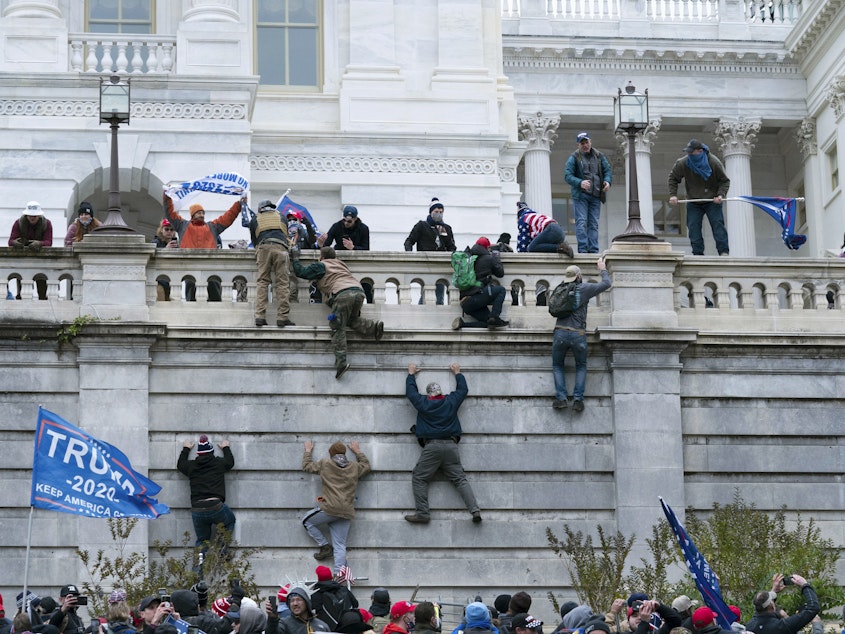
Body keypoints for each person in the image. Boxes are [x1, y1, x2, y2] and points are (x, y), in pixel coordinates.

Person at [404, 362, 482, 524]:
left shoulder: (424, 403)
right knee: (460, 479)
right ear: (440, 393)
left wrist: (411, 374)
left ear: (429, 395)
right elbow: (463, 391)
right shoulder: (450, 401)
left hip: (432, 447)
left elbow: (411, 393)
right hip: (451, 447)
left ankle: (423, 513)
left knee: (419, 478)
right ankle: (474, 510)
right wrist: (458, 373)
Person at [291, 246, 384, 379]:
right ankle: (374, 328)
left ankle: (341, 363)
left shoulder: (322, 265)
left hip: (342, 294)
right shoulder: (341, 264)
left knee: (337, 326)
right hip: (359, 292)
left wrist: (295, 258)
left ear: (322, 257)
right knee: (349, 319)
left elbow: (301, 272)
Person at [301, 440, 371, 572]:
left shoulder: (325, 464)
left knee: (306, 521)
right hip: (346, 512)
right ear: (345, 453)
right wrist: (358, 451)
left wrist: (308, 451)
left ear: (330, 454)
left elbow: (307, 466)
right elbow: (366, 466)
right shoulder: (354, 467)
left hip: (330, 509)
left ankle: (324, 546)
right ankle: (339, 575)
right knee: (340, 545)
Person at [552, 258, 611, 412]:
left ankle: (561, 398)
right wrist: (602, 268)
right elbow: (606, 284)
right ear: (578, 276)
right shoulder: (583, 288)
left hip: (560, 331)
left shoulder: (560, 289)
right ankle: (578, 400)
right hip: (578, 333)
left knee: (558, 366)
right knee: (581, 366)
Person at [163, 192, 245, 301]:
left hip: (211, 269)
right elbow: (170, 213)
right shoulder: (183, 225)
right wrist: (167, 196)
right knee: (191, 300)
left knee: (215, 299)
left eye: (202, 213)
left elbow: (228, 217)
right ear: (192, 215)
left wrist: (239, 204)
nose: (201, 215)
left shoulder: (213, 227)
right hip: (189, 270)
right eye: (198, 212)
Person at [668, 139, 731, 256]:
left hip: (712, 200)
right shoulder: (683, 163)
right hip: (694, 200)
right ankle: (697, 253)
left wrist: (721, 195)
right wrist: (673, 195)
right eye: (688, 152)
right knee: (693, 227)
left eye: (692, 152)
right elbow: (673, 178)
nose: (690, 155)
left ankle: (723, 251)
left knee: (718, 225)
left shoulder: (714, 163)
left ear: (700, 151)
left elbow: (724, 181)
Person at [176, 434, 236, 549]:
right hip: (216, 506)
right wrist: (225, 447)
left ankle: (199, 566)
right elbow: (230, 462)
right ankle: (221, 551)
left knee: (202, 541)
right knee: (229, 521)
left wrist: (186, 449)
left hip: (197, 509)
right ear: (211, 452)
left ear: (199, 453)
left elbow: (180, 465)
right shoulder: (218, 463)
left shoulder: (192, 466)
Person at [564, 132, 612, 254]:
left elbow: (607, 170)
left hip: (596, 195)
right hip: (581, 196)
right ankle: (583, 250)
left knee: (594, 224)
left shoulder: (599, 156)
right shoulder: (574, 157)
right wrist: (580, 182)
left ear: (590, 142)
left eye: (587, 142)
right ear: (578, 145)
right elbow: (567, 176)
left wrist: (607, 181)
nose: (585, 145)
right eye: (582, 143)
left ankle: (594, 250)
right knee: (581, 222)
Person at [249, 199, 294, 327]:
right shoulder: (281, 217)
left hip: (263, 247)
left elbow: (254, 239)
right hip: (281, 248)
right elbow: (285, 235)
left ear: (260, 209)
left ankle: (259, 316)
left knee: (263, 281)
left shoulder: (255, 218)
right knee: (283, 283)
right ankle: (282, 317)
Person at [404, 197, 456, 305]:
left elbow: (451, 246)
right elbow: (409, 241)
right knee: (427, 292)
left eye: (441, 212)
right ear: (431, 212)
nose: (439, 214)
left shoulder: (445, 228)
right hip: (425, 263)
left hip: (441, 265)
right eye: (436, 212)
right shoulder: (422, 225)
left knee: (440, 294)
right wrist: (410, 256)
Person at [319, 205, 373, 302]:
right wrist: (321, 244)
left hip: (357, 261)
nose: (346, 223)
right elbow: (327, 245)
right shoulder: (337, 226)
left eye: (349, 221)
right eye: (344, 220)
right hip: (340, 261)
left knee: (366, 283)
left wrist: (353, 248)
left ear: (355, 219)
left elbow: (366, 248)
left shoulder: (363, 228)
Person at [453, 237, 508, 330]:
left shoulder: (467, 258)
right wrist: (496, 257)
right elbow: (500, 273)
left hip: (465, 303)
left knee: (487, 322)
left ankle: (462, 324)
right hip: (477, 297)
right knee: (501, 290)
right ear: (487, 248)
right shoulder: (488, 258)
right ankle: (495, 316)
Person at [9, 201, 53, 300]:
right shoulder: (18, 223)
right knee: (21, 290)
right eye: (30, 215)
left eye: (35, 216)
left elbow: (49, 242)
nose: (32, 218)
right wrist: (16, 243)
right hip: (22, 261)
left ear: (39, 216)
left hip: (41, 261)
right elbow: (10, 241)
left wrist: (39, 243)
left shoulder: (47, 224)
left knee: (42, 289)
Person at [746, 574, 819, 634]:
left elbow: (760, 609)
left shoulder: (750, 626)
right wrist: (805, 585)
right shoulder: (781, 627)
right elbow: (813, 608)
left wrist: (774, 590)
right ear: (771, 606)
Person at [310, 566, 359, 631]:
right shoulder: (344, 590)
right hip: (345, 628)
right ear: (331, 577)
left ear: (319, 579)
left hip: (326, 630)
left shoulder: (316, 595)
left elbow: (308, 611)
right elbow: (356, 604)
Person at [151, 219, 179, 301]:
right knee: (161, 305)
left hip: (171, 282)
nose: (169, 232)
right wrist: (166, 249)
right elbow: (153, 258)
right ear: (161, 230)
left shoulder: (175, 244)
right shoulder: (156, 242)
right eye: (166, 229)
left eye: (171, 229)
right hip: (159, 281)